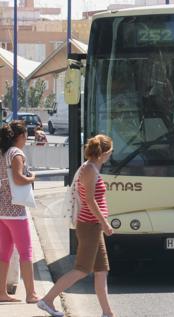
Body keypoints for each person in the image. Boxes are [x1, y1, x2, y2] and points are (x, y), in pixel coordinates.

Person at [37, 135, 115, 317]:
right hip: (89, 226)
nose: (110, 155)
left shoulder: (93, 167)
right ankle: (47, 300)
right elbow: (89, 200)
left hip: (94, 226)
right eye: (110, 152)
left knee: (101, 271)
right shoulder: (89, 169)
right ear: (104, 153)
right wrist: (104, 223)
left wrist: (101, 223)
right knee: (81, 269)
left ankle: (107, 313)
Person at [0, 121, 38, 304]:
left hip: (2, 210)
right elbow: (18, 178)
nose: (26, 140)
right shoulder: (16, 153)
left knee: (4, 252)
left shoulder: (3, 153)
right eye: (25, 136)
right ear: (20, 137)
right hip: (16, 211)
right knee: (26, 252)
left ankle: (1, 292)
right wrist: (32, 177)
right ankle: (31, 294)